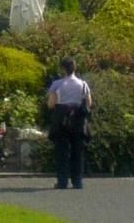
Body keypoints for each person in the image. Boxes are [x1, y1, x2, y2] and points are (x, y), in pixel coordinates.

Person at [47, 57, 91, 190]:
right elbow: (89, 103)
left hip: (62, 120)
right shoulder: (83, 84)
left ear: (62, 69)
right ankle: (77, 181)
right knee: (78, 151)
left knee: (62, 152)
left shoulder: (57, 84)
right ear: (75, 68)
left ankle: (62, 182)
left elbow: (51, 104)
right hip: (78, 119)